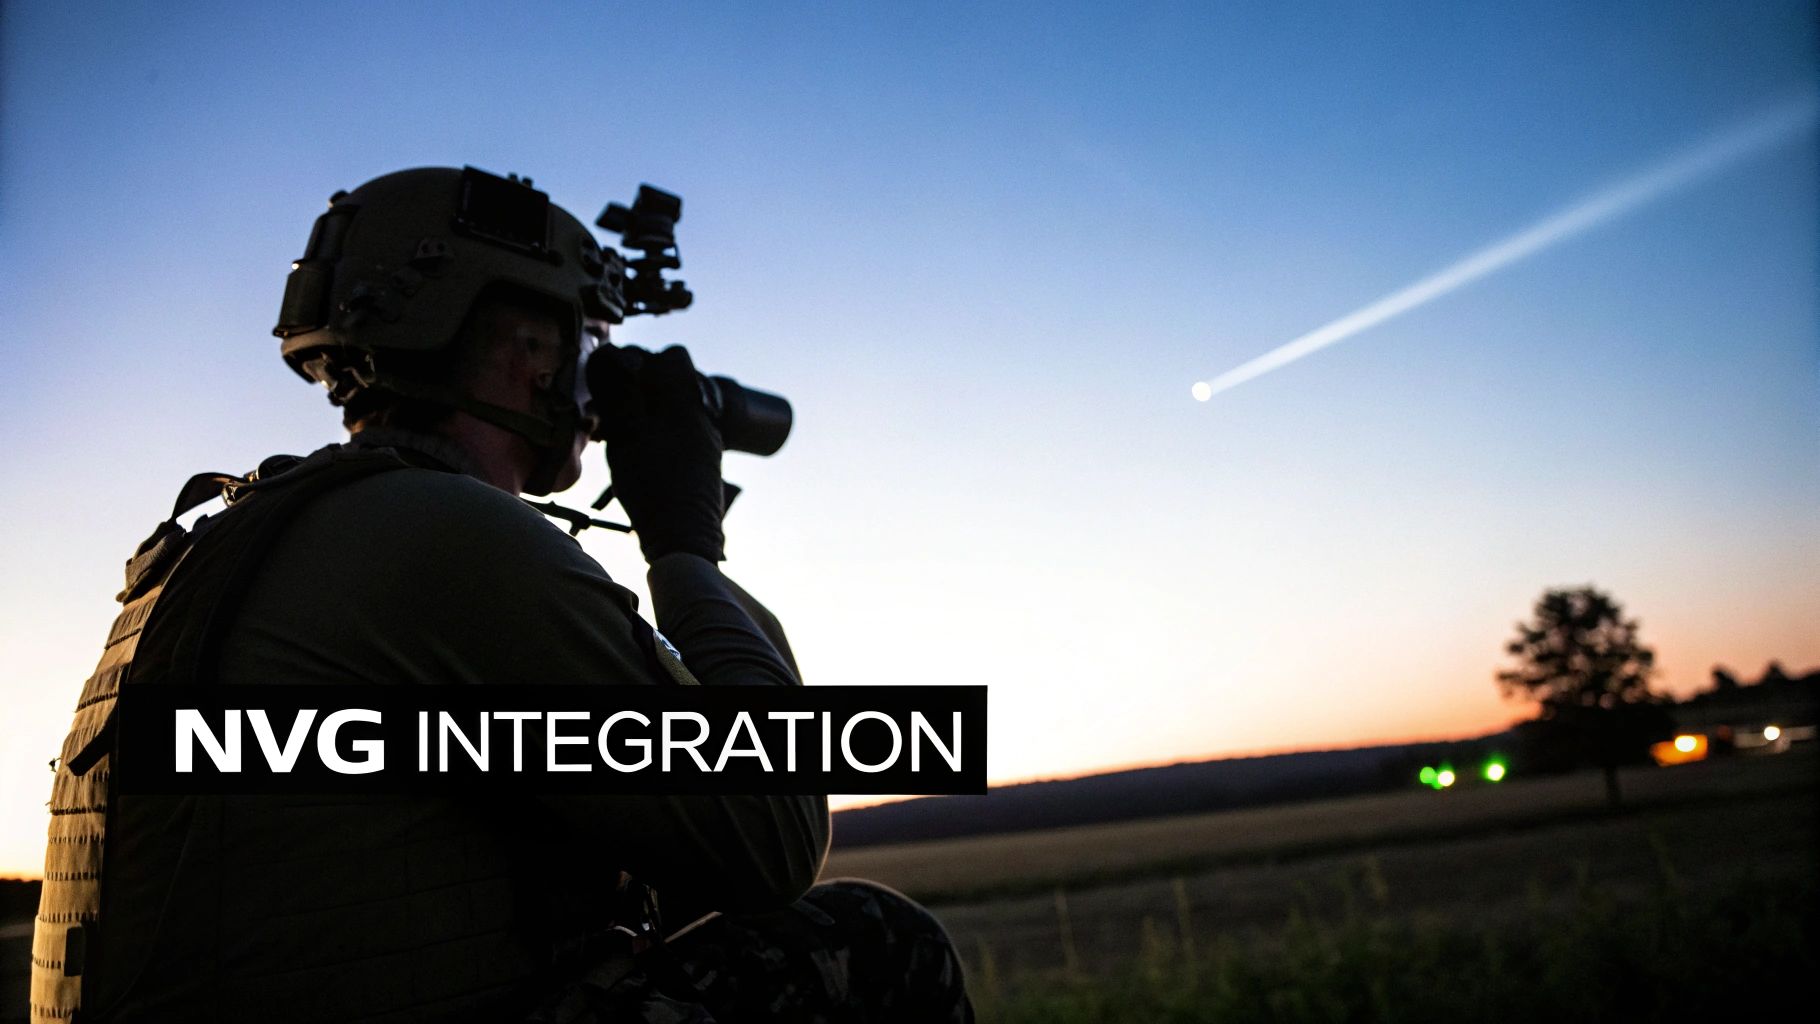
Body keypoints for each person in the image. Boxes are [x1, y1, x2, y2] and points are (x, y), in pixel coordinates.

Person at [31, 166, 972, 1023]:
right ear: (531, 353)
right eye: (589, 338)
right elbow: (772, 831)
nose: (593, 376)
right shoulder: (442, 536)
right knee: (877, 941)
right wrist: (687, 546)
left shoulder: (234, 540)